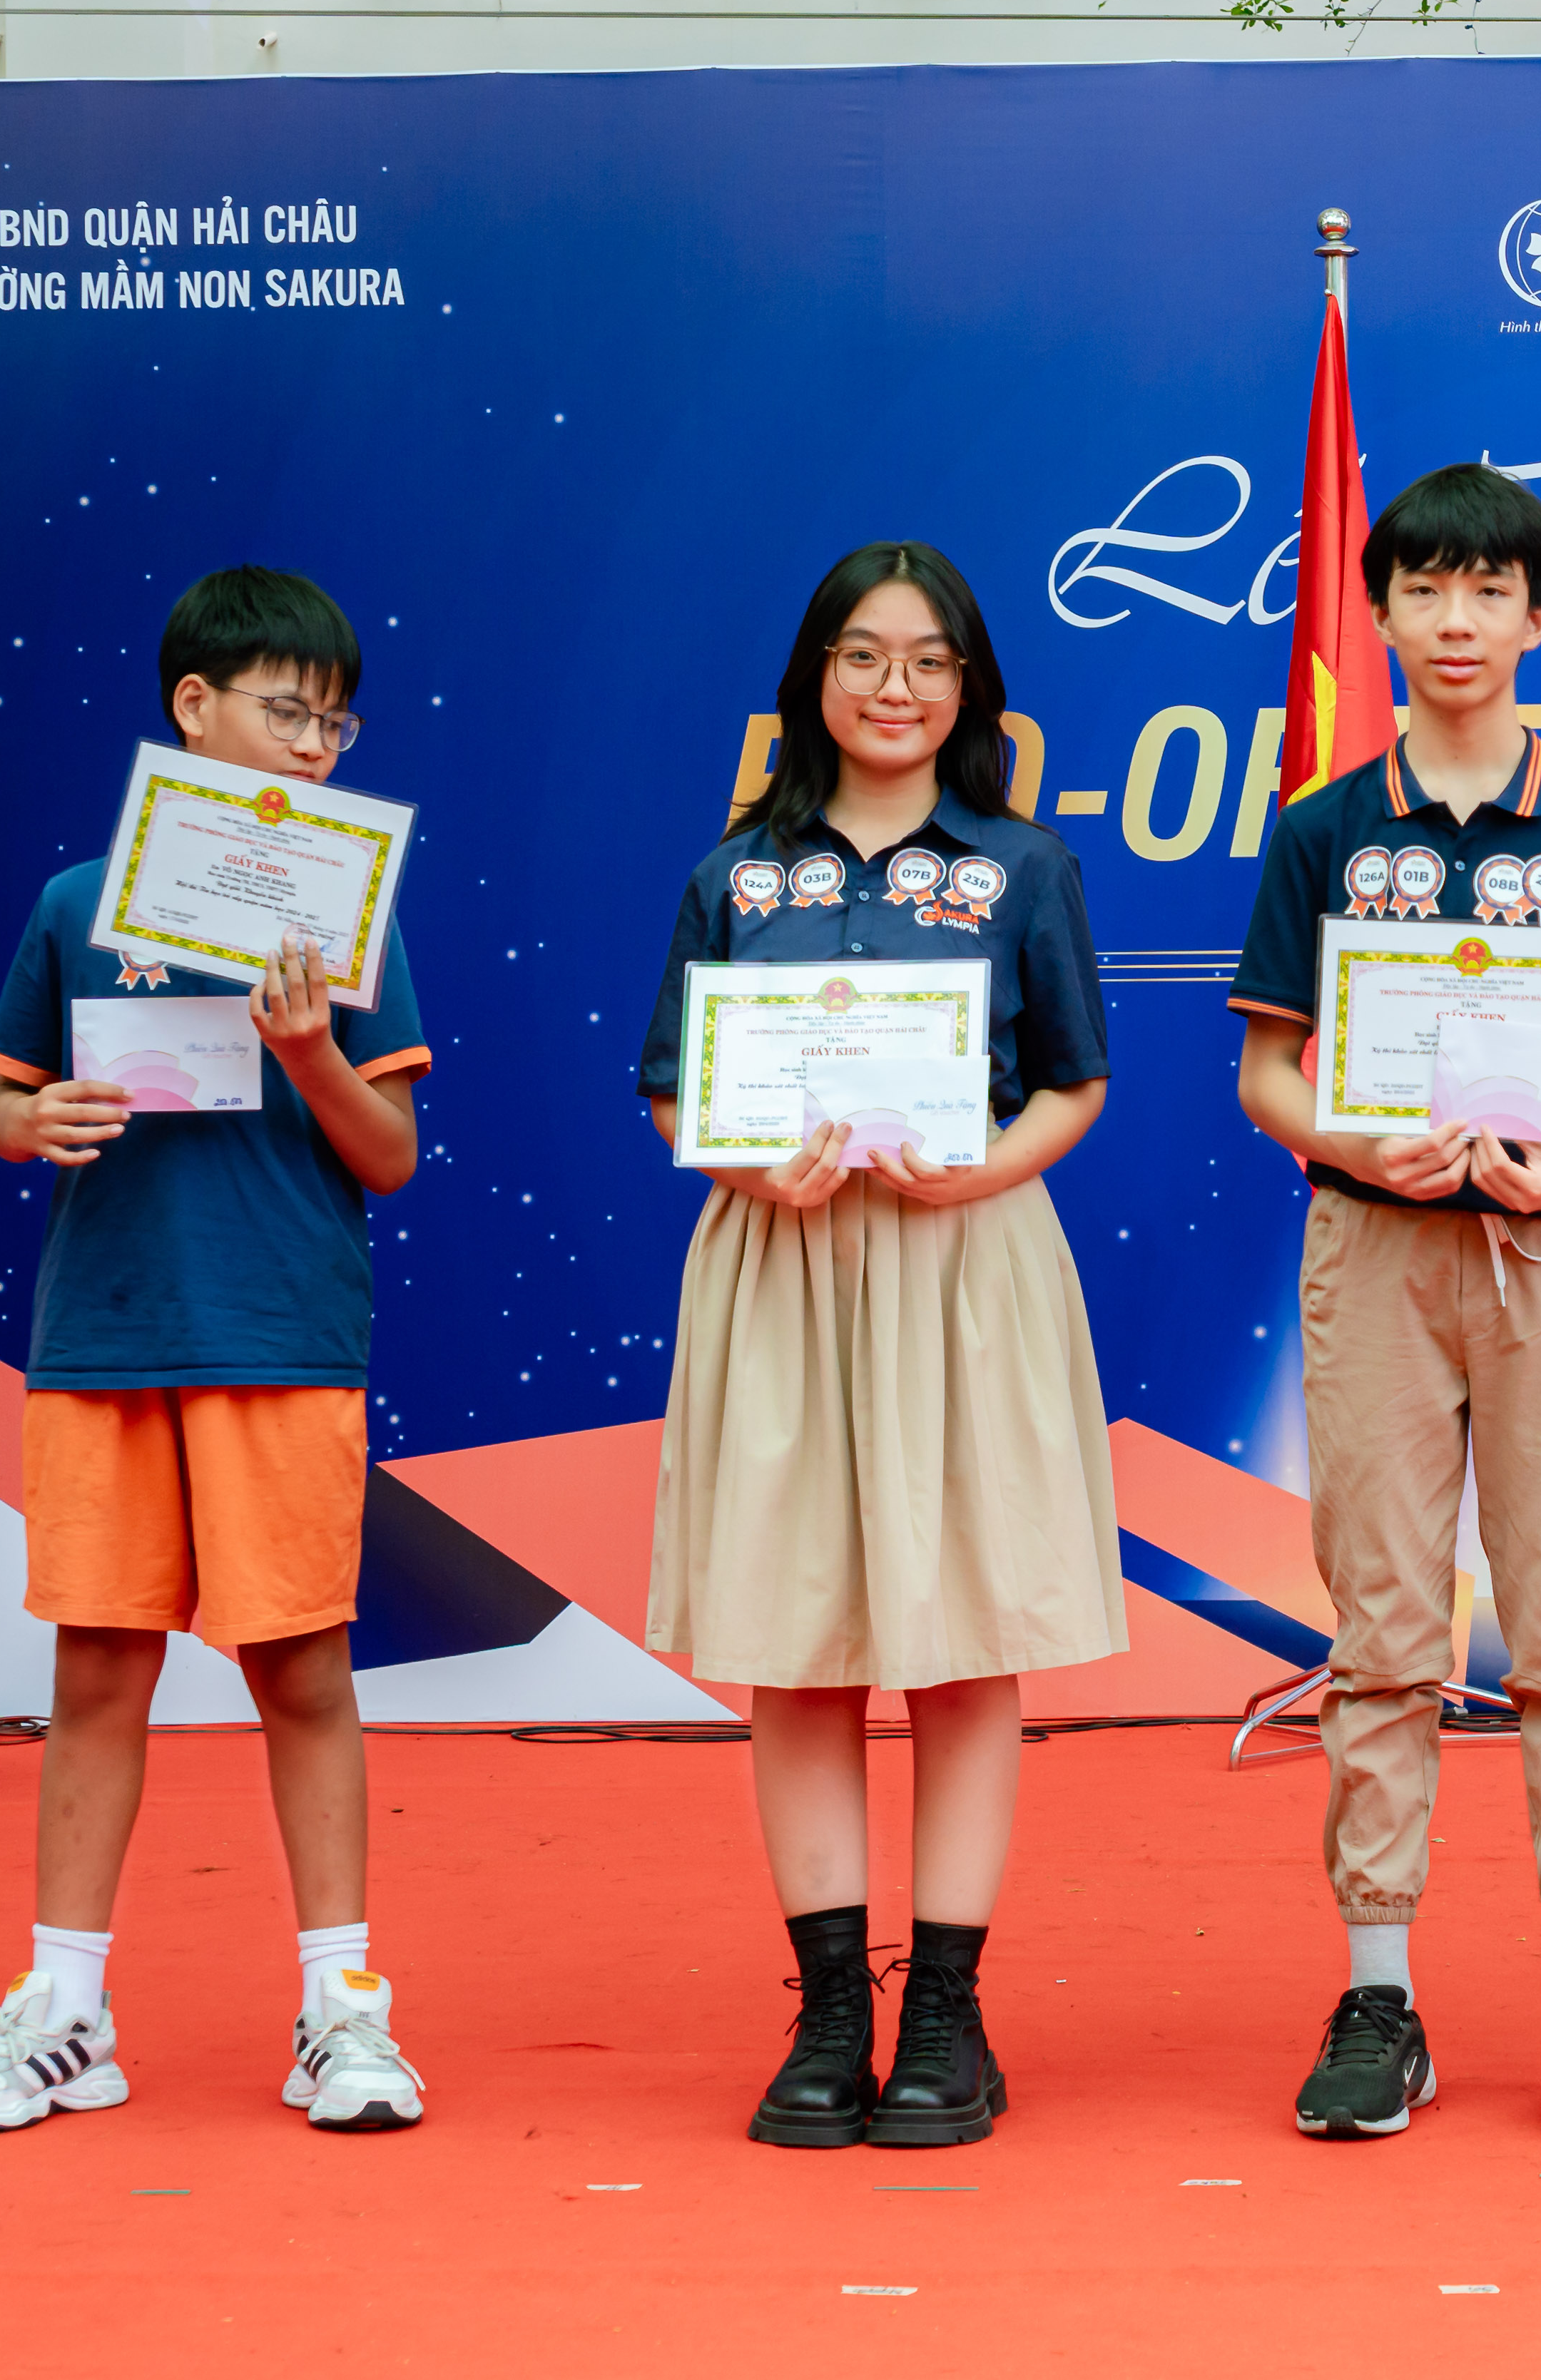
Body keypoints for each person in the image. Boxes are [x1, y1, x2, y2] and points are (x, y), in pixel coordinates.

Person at [0, 567, 434, 2137]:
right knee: (96, 1667)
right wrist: (34, 1122)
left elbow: (391, 1152)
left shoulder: (349, 916)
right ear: (193, 709)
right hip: (106, 1335)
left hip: (282, 1331)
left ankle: (343, 2009)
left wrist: (307, 1050)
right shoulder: (77, 905)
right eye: (288, 710)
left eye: (335, 723)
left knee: (302, 1668)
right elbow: (3, 1103)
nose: (315, 745)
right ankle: (64, 2007)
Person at [638, 541, 1124, 2150]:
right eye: (862, 655)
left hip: (963, 1260)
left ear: (968, 688)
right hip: (780, 1263)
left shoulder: (1022, 866)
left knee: (966, 1641)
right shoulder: (734, 875)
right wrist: (743, 1164)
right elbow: (673, 1090)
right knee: (794, 1644)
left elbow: (1073, 1082)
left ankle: (947, 2015)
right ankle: (831, 2009)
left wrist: (980, 1171)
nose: (894, 687)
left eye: (926, 660)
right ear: (814, 679)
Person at [1229, 463, 1541, 2144]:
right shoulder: (1323, 829)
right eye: (1422, 588)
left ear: (1535, 618)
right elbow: (1266, 1072)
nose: (1454, 621)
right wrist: (1351, 1138)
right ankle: (1380, 1994)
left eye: (1488, 591)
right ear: (1378, 613)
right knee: (1381, 1631)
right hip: (1374, 1248)